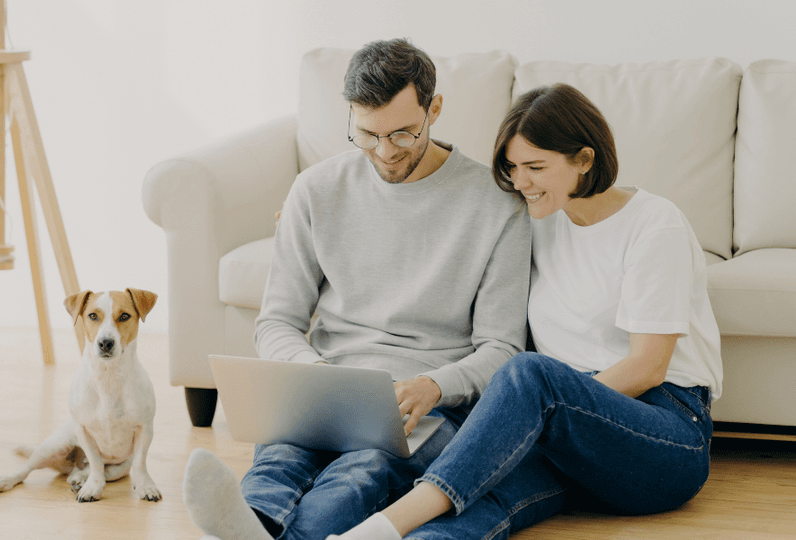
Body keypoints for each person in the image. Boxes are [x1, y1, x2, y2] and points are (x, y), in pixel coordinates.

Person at [331, 83, 723, 540]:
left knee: (529, 374)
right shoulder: (536, 219)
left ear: (585, 159)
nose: (520, 183)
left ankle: (382, 527)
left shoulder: (654, 224)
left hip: (664, 433)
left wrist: (546, 407)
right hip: (563, 432)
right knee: (471, 502)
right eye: (513, 168)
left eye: (536, 167)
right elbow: (443, 226)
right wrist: (322, 211)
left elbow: (647, 367)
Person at [181, 38, 538, 540]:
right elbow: (278, 321)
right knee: (278, 461)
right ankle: (254, 523)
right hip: (323, 390)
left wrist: (434, 386)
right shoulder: (315, 189)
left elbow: (503, 349)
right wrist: (316, 377)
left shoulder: (497, 205)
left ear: (434, 109)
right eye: (367, 135)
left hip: (426, 406)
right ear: (348, 115)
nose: (385, 152)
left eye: (403, 134)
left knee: (361, 473)